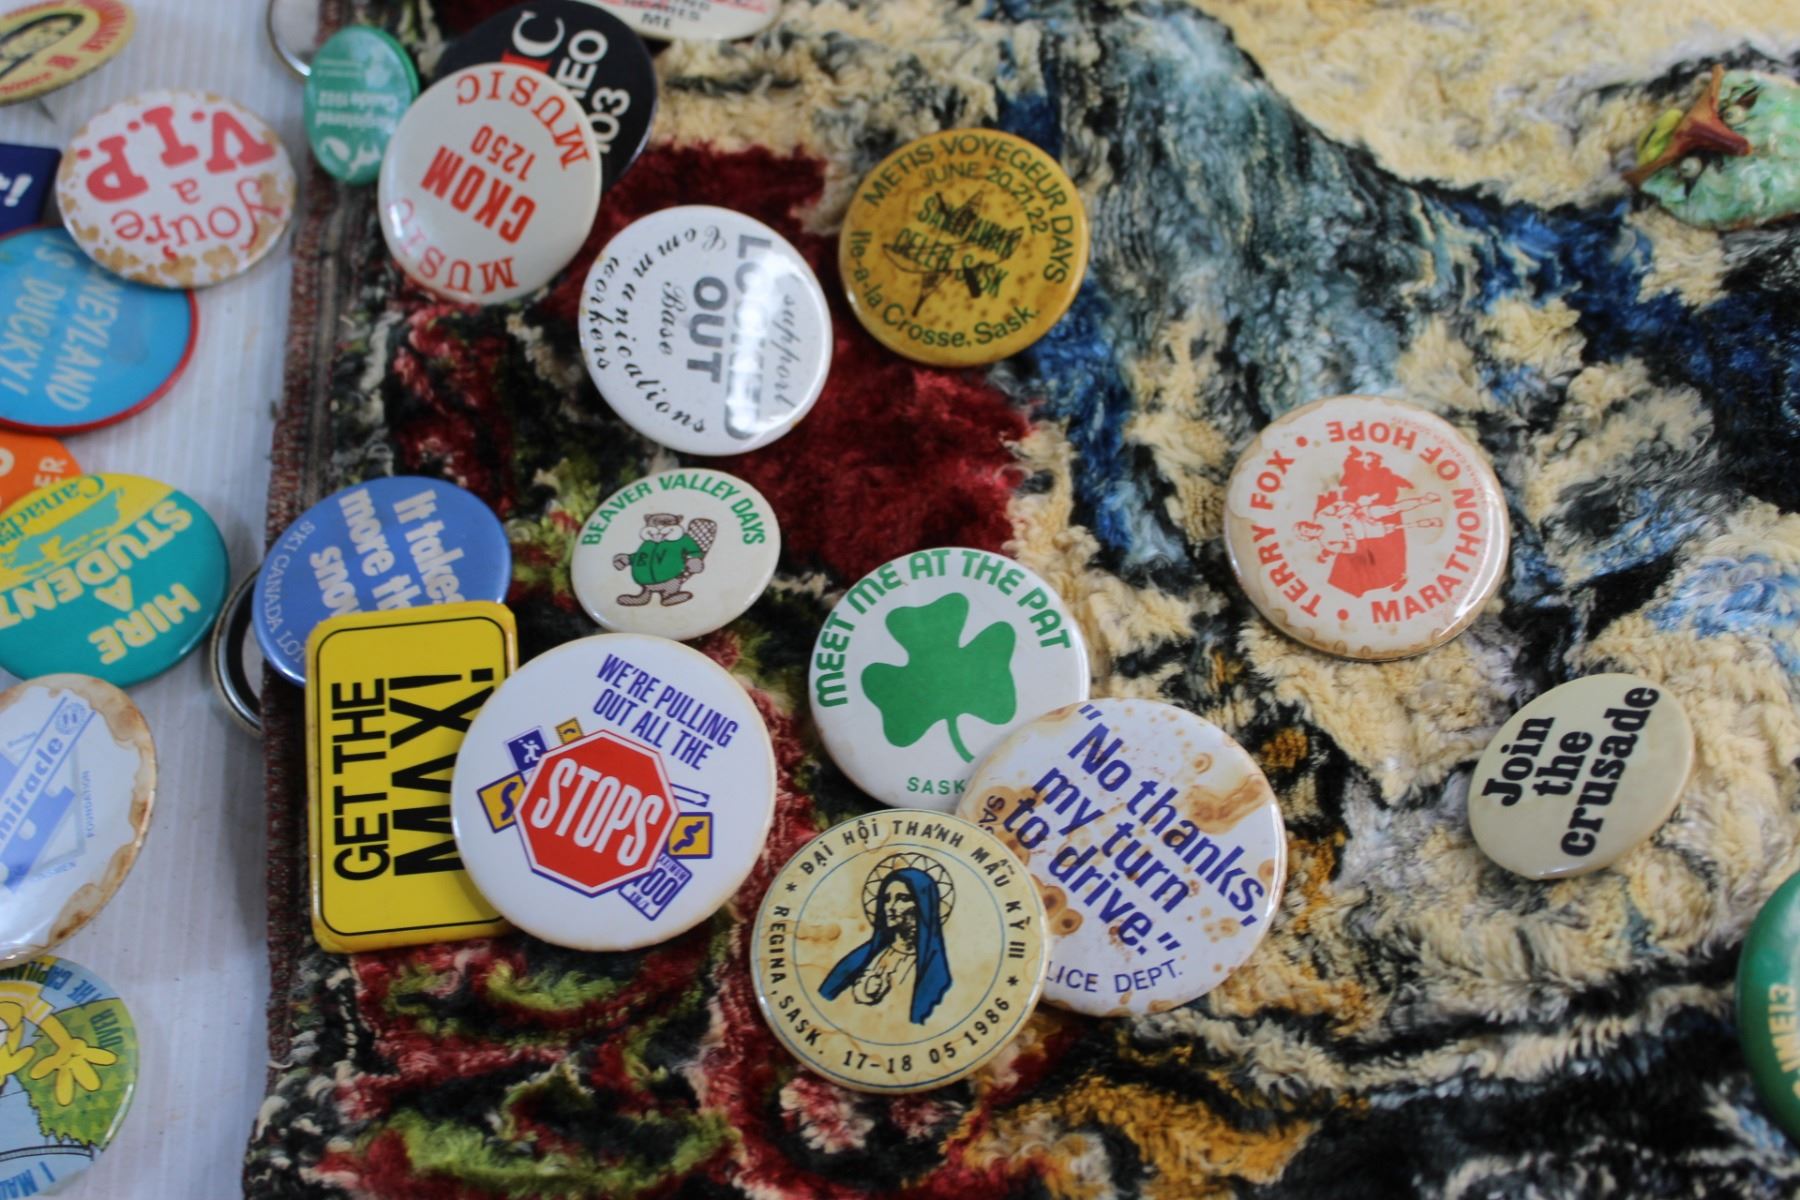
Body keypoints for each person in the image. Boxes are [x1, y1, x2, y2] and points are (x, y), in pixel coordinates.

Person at [820, 866, 953, 1025]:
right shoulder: (862, 958)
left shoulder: (934, 972)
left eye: (903, 898)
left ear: (923, 905)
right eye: (886, 899)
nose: (890, 907)